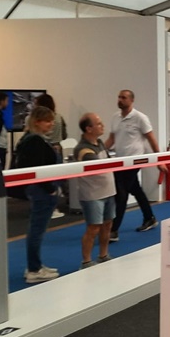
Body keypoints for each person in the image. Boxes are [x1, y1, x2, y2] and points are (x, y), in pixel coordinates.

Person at [105, 90, 164, 242]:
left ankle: (113, 230)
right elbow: (111, 139)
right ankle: (149, 217)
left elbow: (151, 139)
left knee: (121, 193)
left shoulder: (140, 118)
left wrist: (159, 161)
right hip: (120, 161)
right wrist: (99, 153)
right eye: (119, 97)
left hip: (135, 160)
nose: (120, 100)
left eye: (123, 97)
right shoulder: (115, 117)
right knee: (135, 189)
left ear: (131, 100)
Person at [16, 106, 60, 283]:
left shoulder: (31, 139)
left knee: (37, 229)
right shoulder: (35, 141)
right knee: (37, 230)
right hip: (41, 190)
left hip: (39, 189)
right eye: (47, 121)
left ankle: (35, 265)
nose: (51, 124)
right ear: (37, 122)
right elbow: (38, 170)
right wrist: (50, 189)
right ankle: (34, 269)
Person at [75, 113, 116, 269]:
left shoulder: (99, 143)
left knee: (107, 225)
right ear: (89, 129)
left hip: (108, 191)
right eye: (98, 123)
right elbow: (101, 166)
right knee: (93, 228)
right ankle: (86, 261)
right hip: (92, 194)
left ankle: (103, 255)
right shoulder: (82, 149)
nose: (102, 125)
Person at [33, 93, 68, 218]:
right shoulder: (59, 117)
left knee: (43, 180)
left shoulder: (36, 121)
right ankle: (53, 206)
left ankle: (46, 207)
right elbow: (64, 135)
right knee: (55, 180)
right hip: (57, 149)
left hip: (44, 150)